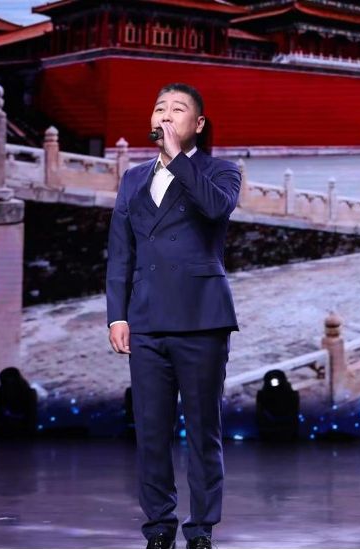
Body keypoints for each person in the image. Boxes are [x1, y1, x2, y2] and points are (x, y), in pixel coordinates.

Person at [106, 83, 241, 549]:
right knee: (150, 432)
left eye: (177, 109)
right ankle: (159, 526)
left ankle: (200, 528)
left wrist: (178, 158)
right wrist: (117, 316)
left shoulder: (221, 171)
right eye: (159, 107)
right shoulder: (132, 178)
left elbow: (216, 208)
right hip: (145, 320)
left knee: (203, 430)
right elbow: (120, 252)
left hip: (201, 317)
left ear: (198, 124)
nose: (165, 115)